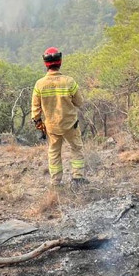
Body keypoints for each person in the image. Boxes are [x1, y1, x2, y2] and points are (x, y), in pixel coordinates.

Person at [31, 47, 85, 186]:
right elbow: (79, 102)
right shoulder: (69, 81)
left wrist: (38, 123)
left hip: (51, 126)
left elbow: (35, 109)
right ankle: (78, 178)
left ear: (46, 64)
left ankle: (55, 182)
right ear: (60, 62)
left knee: (54, 152)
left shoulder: (40, 84)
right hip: (70, 125)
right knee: (76, 148)